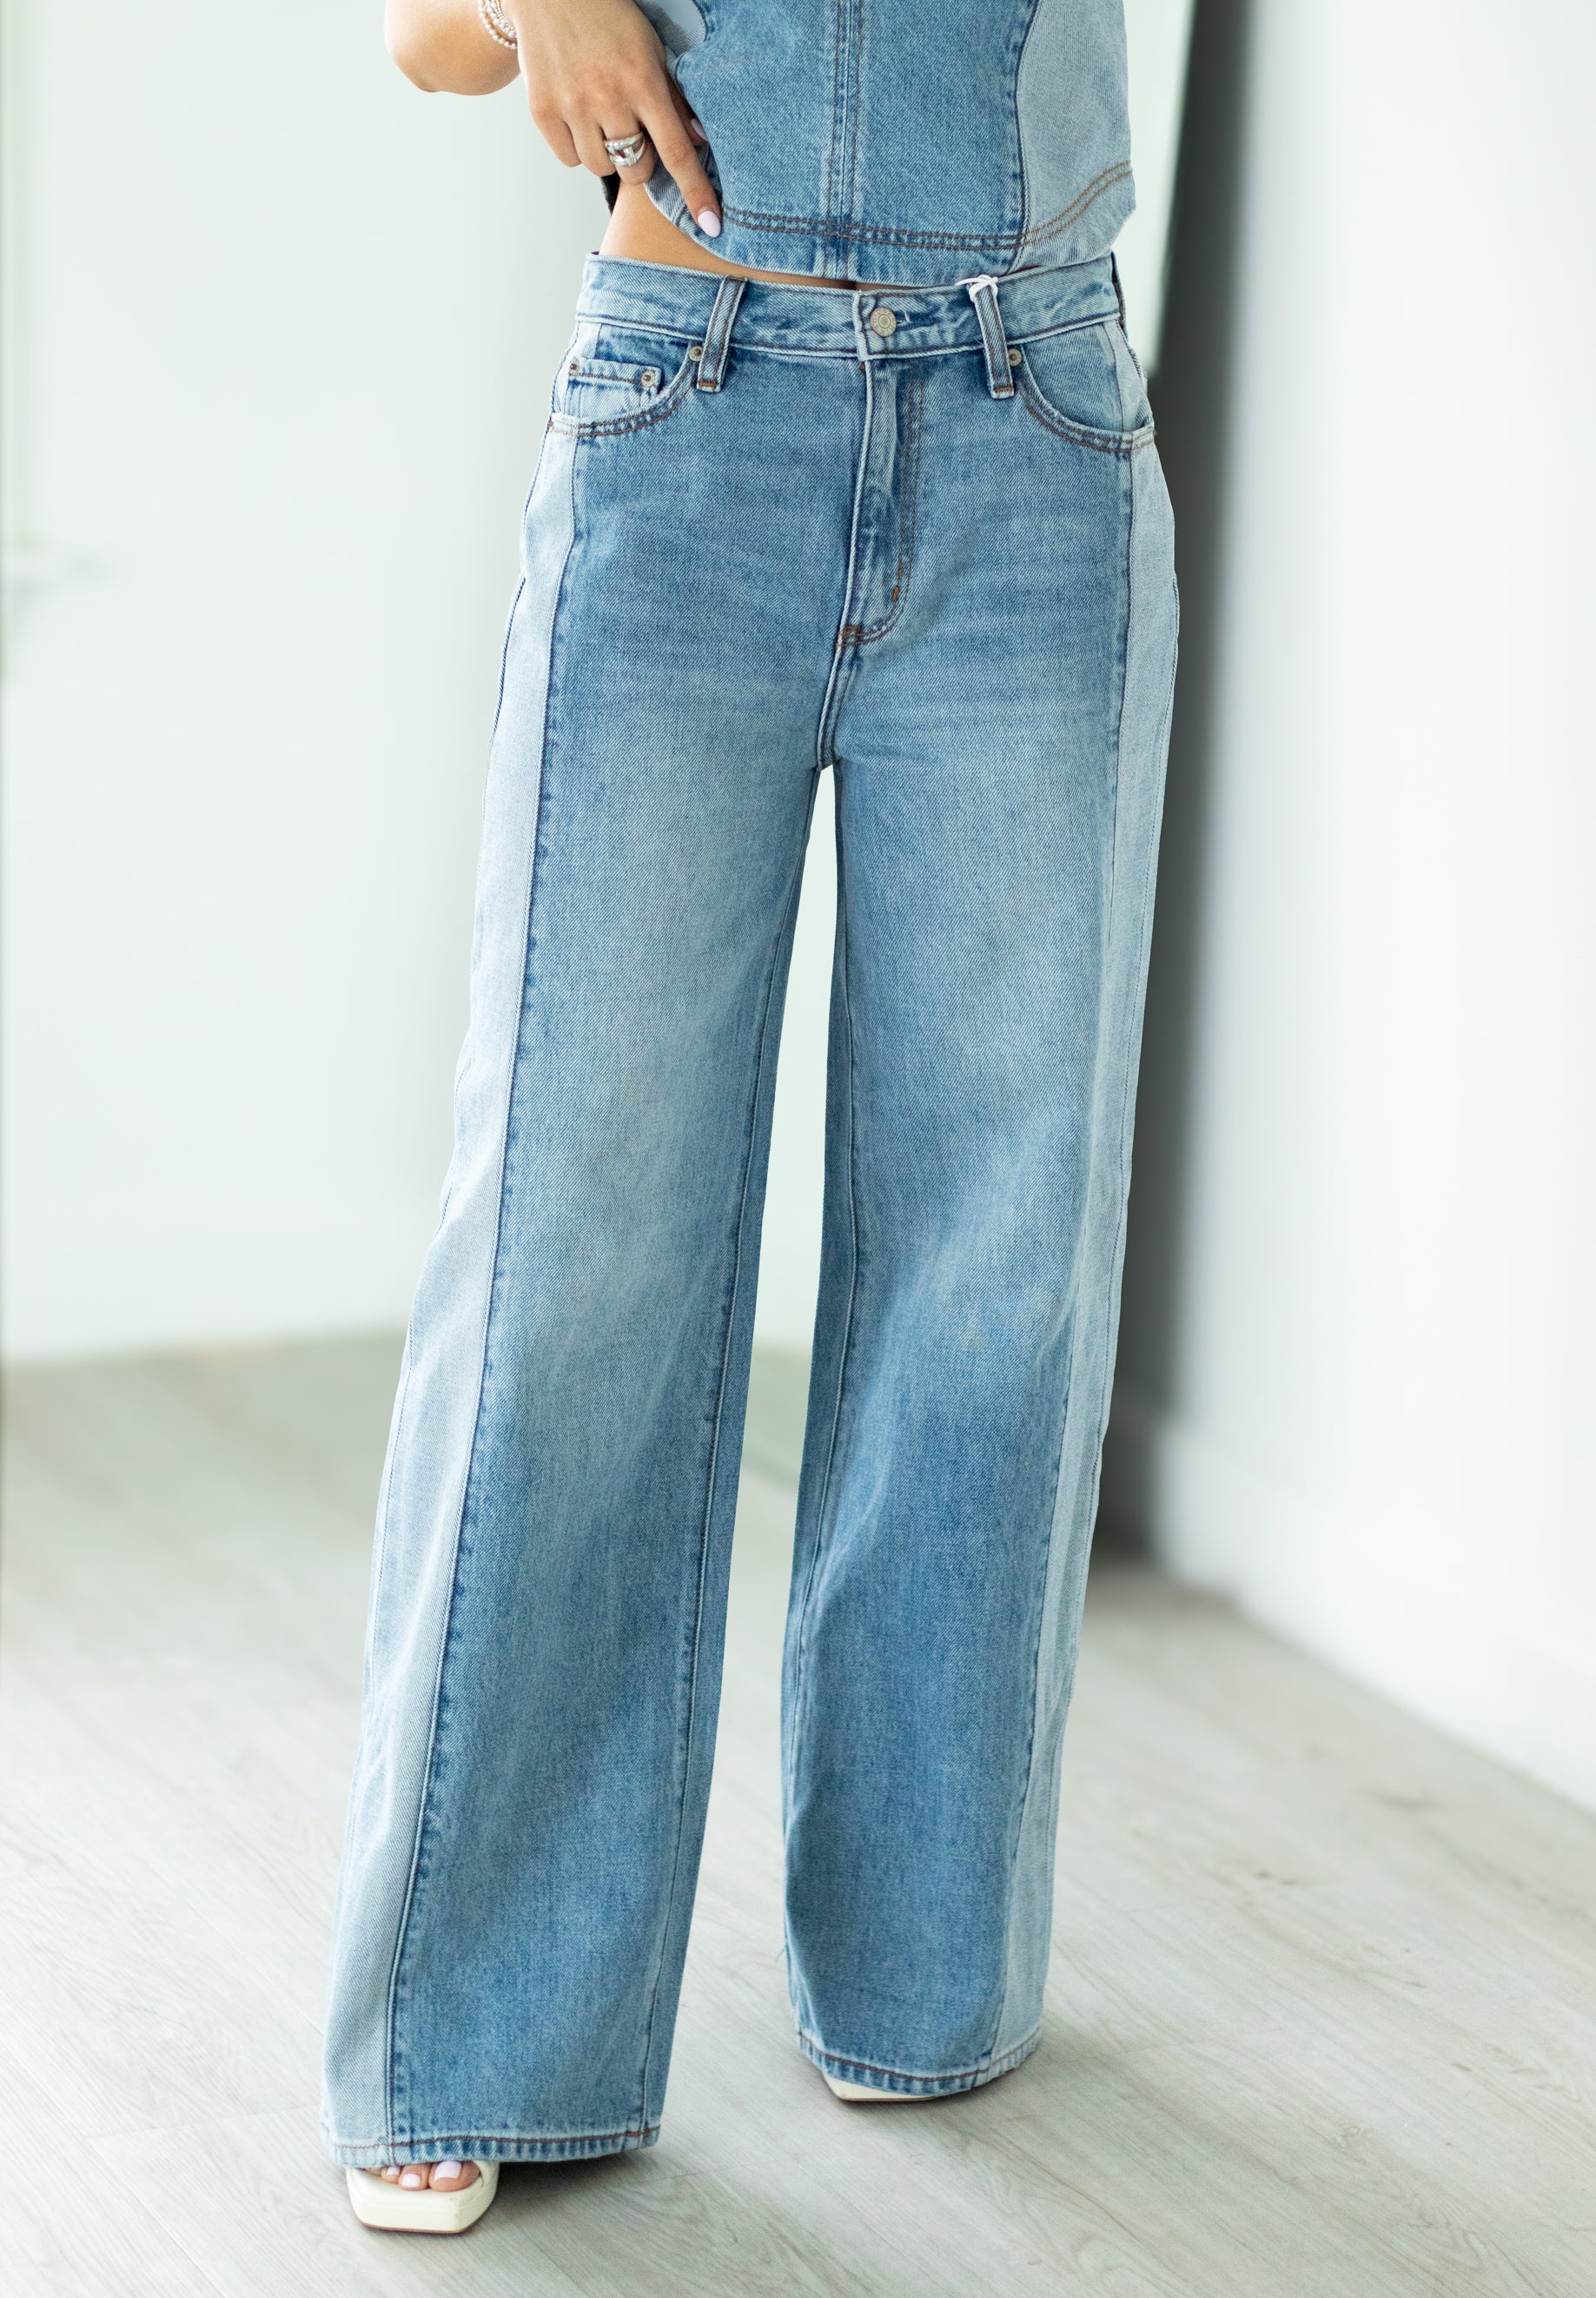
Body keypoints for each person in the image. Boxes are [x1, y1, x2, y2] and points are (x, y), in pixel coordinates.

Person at [326, 0, 1176, 2236]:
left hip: (1038, 416)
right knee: (567, 1255)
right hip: (692, 420)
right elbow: (428, 48)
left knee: (997, 1265)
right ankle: (470, 2033)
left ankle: (925, 1979)